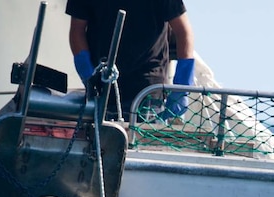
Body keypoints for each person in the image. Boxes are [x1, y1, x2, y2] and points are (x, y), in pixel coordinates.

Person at [66, 0, 195, 119]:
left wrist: (182, 87)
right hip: (103, 89)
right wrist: (88, 75)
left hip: (147, 91)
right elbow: (77, 30)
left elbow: (183, 31)